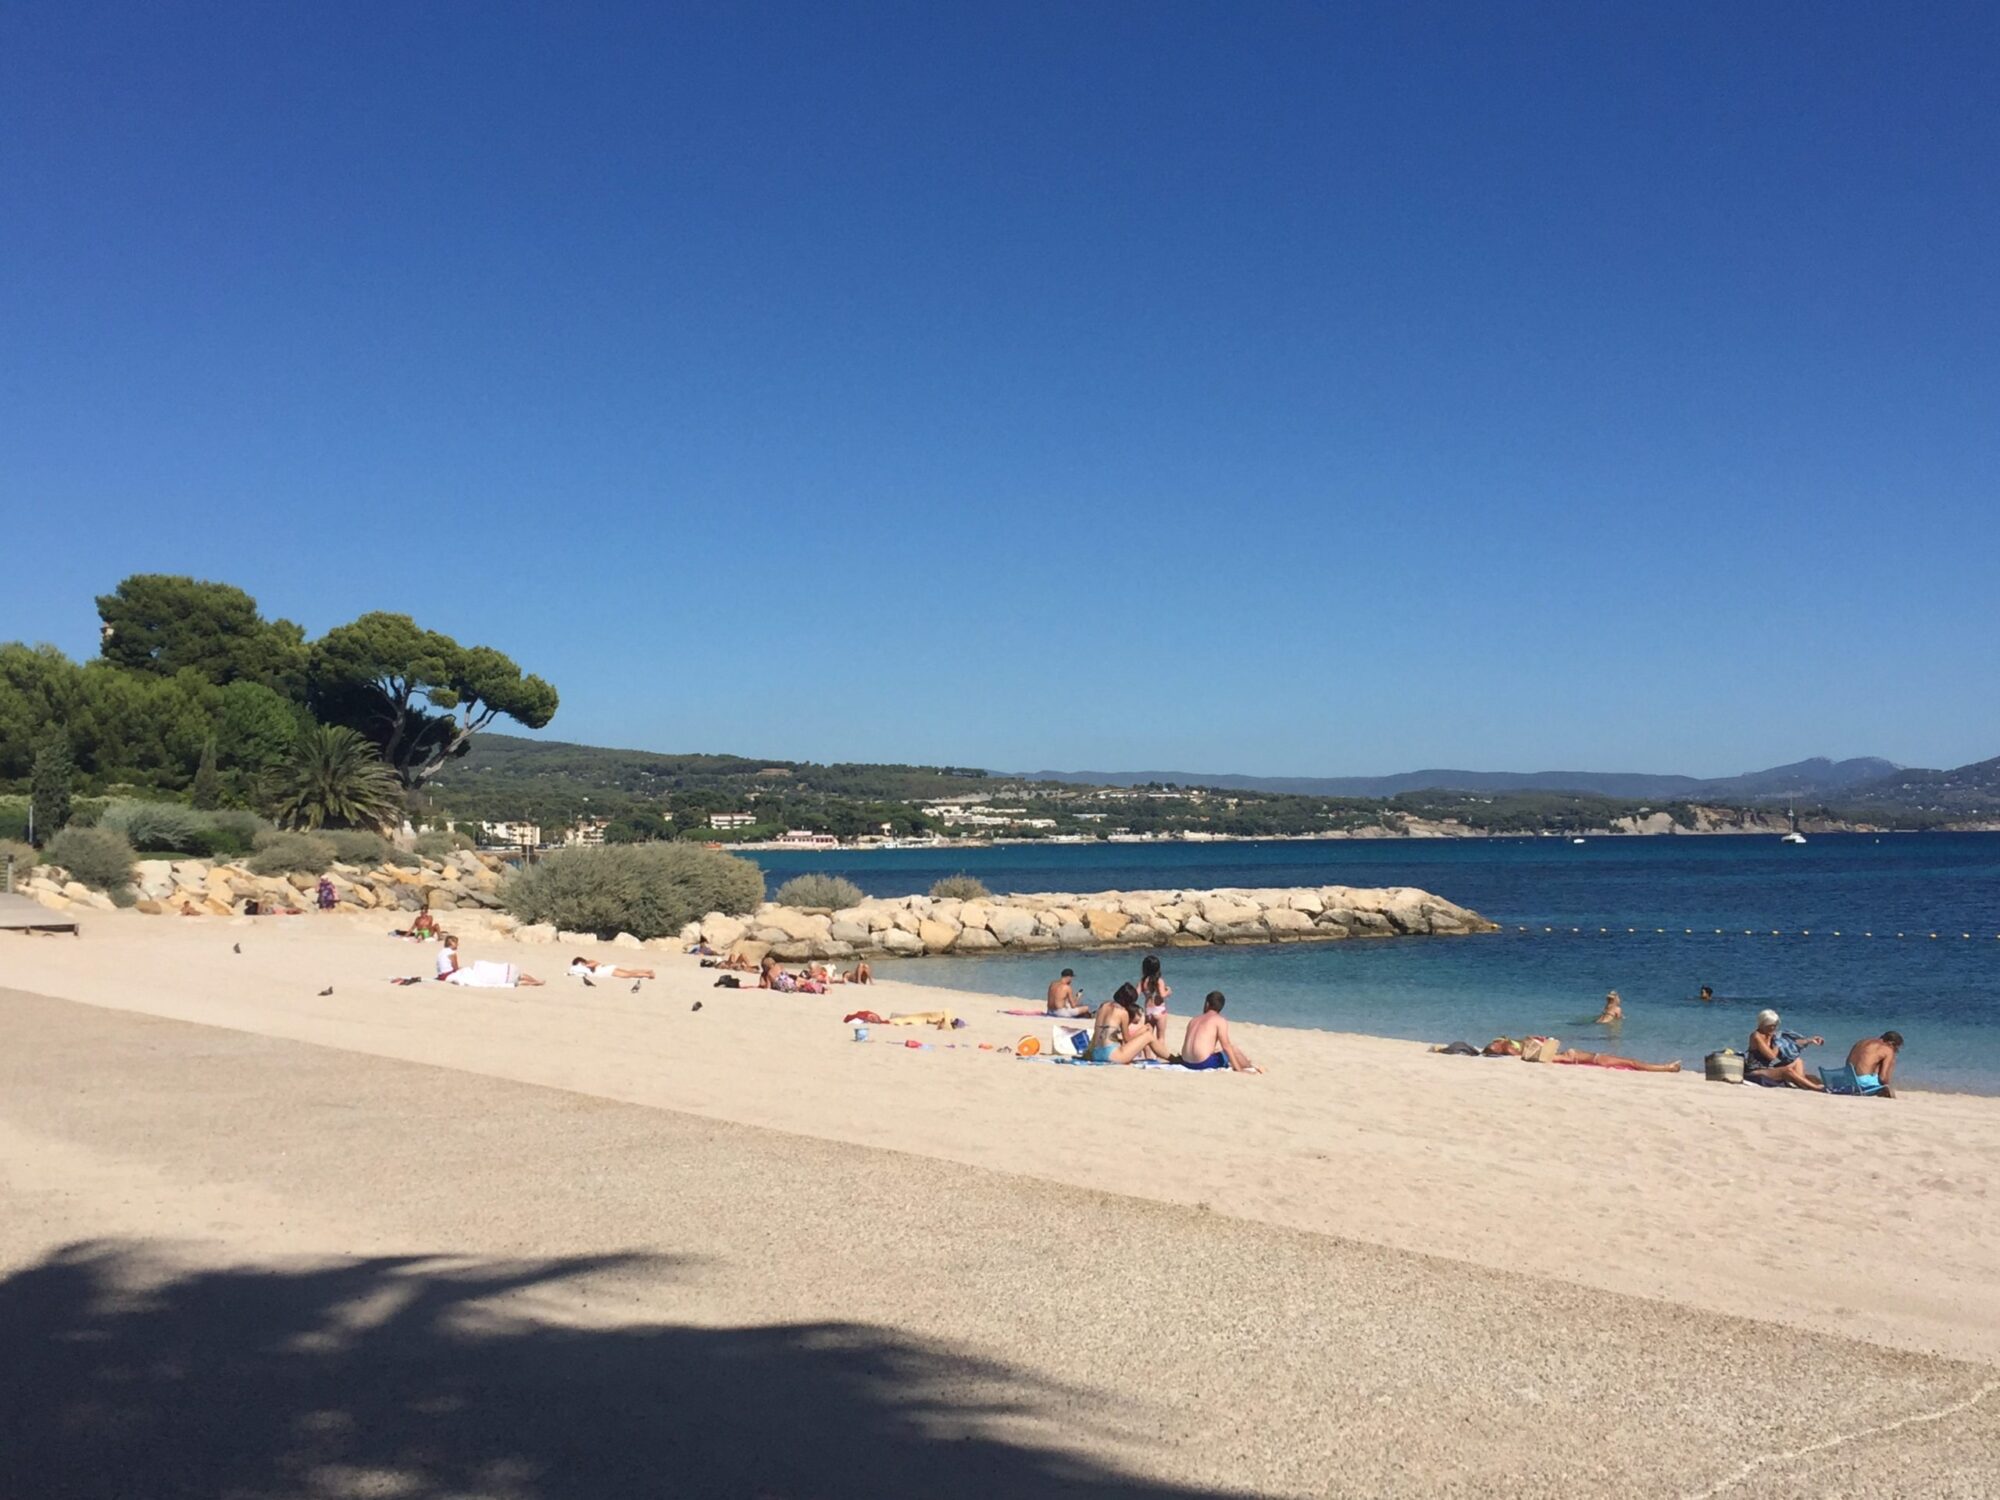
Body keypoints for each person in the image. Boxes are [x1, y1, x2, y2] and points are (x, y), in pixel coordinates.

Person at [1179, 991, 1261, 1073]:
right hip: (1202, 1063)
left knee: (1217, 1051)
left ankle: (1248, 1065)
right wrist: (1238, 1069)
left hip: (1186, 1062)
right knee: (1233, 1049)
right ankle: (1249, 1067)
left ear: (1207, 1004)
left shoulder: (1194, 1020)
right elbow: (1226, 1046)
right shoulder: (1219, 1020)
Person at [1087, 983, 1164, 1065]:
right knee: (1148, 1036)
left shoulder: (1103, 1006)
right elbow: (1127, 1040)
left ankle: (1172, 1058)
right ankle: (1172, 1058)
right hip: (1110, 1055)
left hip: (1095, 1053)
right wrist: (1142, 1030)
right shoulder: (1123, 1013)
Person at [1747, 1010, 1824, 1089]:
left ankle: (1802, 1084)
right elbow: (1771, 1056)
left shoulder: (1772, 1035)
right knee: (1787, 1071)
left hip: (1769, 1068)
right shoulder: (1756, 1036)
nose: (1773, 1028)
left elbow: (1793, 1043)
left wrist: (1810, 1040)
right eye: (1771, 1025)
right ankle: (1814, 1087)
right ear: (1762, 1024)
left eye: (1775, 1025)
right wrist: (1777, 1043)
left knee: (1798, 1061)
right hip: (1756, 1070)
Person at [436, 935, 544, 987]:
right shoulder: (452, 953)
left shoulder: (442, 951)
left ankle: (535, 982)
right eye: (456, 943)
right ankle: (535, 981)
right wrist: (460, 969)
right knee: (518, 977)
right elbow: (455, 968)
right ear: (451, 944)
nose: (458, 945)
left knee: (518, 979)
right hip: (448, 975)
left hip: (442, 975)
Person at [1845, 1031, 1905, 1098]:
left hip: (1848, 1080)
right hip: (1863, 1082)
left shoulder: (1861, 1042)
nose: (1896, 1051)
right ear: (1891, 1044)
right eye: (1896, 1049)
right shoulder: (1888, 1049)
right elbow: (1883, 1079)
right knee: (1890, 1060)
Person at [1139, 954, 1172, 1037]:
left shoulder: (1143, 981)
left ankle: (1147, 1050)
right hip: (1159, 1010)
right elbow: (1162, 995)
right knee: (1160, 1037)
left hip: (1149, 1010)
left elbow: (1135, 993)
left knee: (1147, 1036)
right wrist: (1168, 991)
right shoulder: (1159, 981)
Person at [567, 956, 656, 980]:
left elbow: (596, 963)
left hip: (607, 970)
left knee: (628, 975)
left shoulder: (588, 963)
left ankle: (648, 975)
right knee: (629, 972)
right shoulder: (585, 967)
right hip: (608, 969)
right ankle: (647, 971)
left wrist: (586, 966)